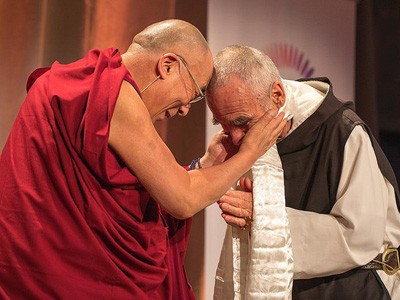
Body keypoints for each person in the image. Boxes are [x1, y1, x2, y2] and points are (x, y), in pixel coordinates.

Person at [0, 22, 287, 299]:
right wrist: (250, 151)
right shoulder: (115, 96)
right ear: (168, 65)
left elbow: (155, 189)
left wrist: (206, 164)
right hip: (63, 278)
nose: (186, 108)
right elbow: (182, 199)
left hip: (32, 267)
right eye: (194, 93)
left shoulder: (85, 84)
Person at [206, 45, 400, 299]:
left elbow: (360, 235)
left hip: (356, 287)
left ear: (277, 95)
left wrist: (265, 216)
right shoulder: (248, 135)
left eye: (242, 122)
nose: (235, 136)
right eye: (223, 124)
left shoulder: (344, 133)